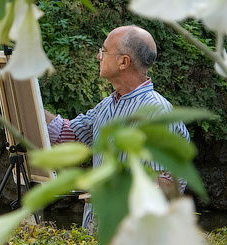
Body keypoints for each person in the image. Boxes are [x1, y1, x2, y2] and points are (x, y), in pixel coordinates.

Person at [44, 25, 189, 229]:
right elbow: (66, 134)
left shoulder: (156, 112)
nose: (98, 56)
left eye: (104, 51)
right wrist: (26, 100)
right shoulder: (106, 106)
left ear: (124, 62)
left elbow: (166, 184)